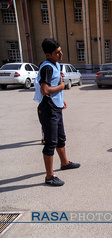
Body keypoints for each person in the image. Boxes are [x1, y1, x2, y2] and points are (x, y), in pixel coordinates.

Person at [33, 38, 80, 186]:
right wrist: (61, 87)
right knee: (50, 143)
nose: (61, 54)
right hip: (48, 109)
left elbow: (55, 85)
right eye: (57, 53)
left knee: (61, 138)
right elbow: (45, 90)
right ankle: (49, 177)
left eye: (60, 51)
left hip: (55, 107)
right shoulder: (46, 67)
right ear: (48, 54)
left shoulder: (56, 64)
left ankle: (65, 163)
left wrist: (61, 99)